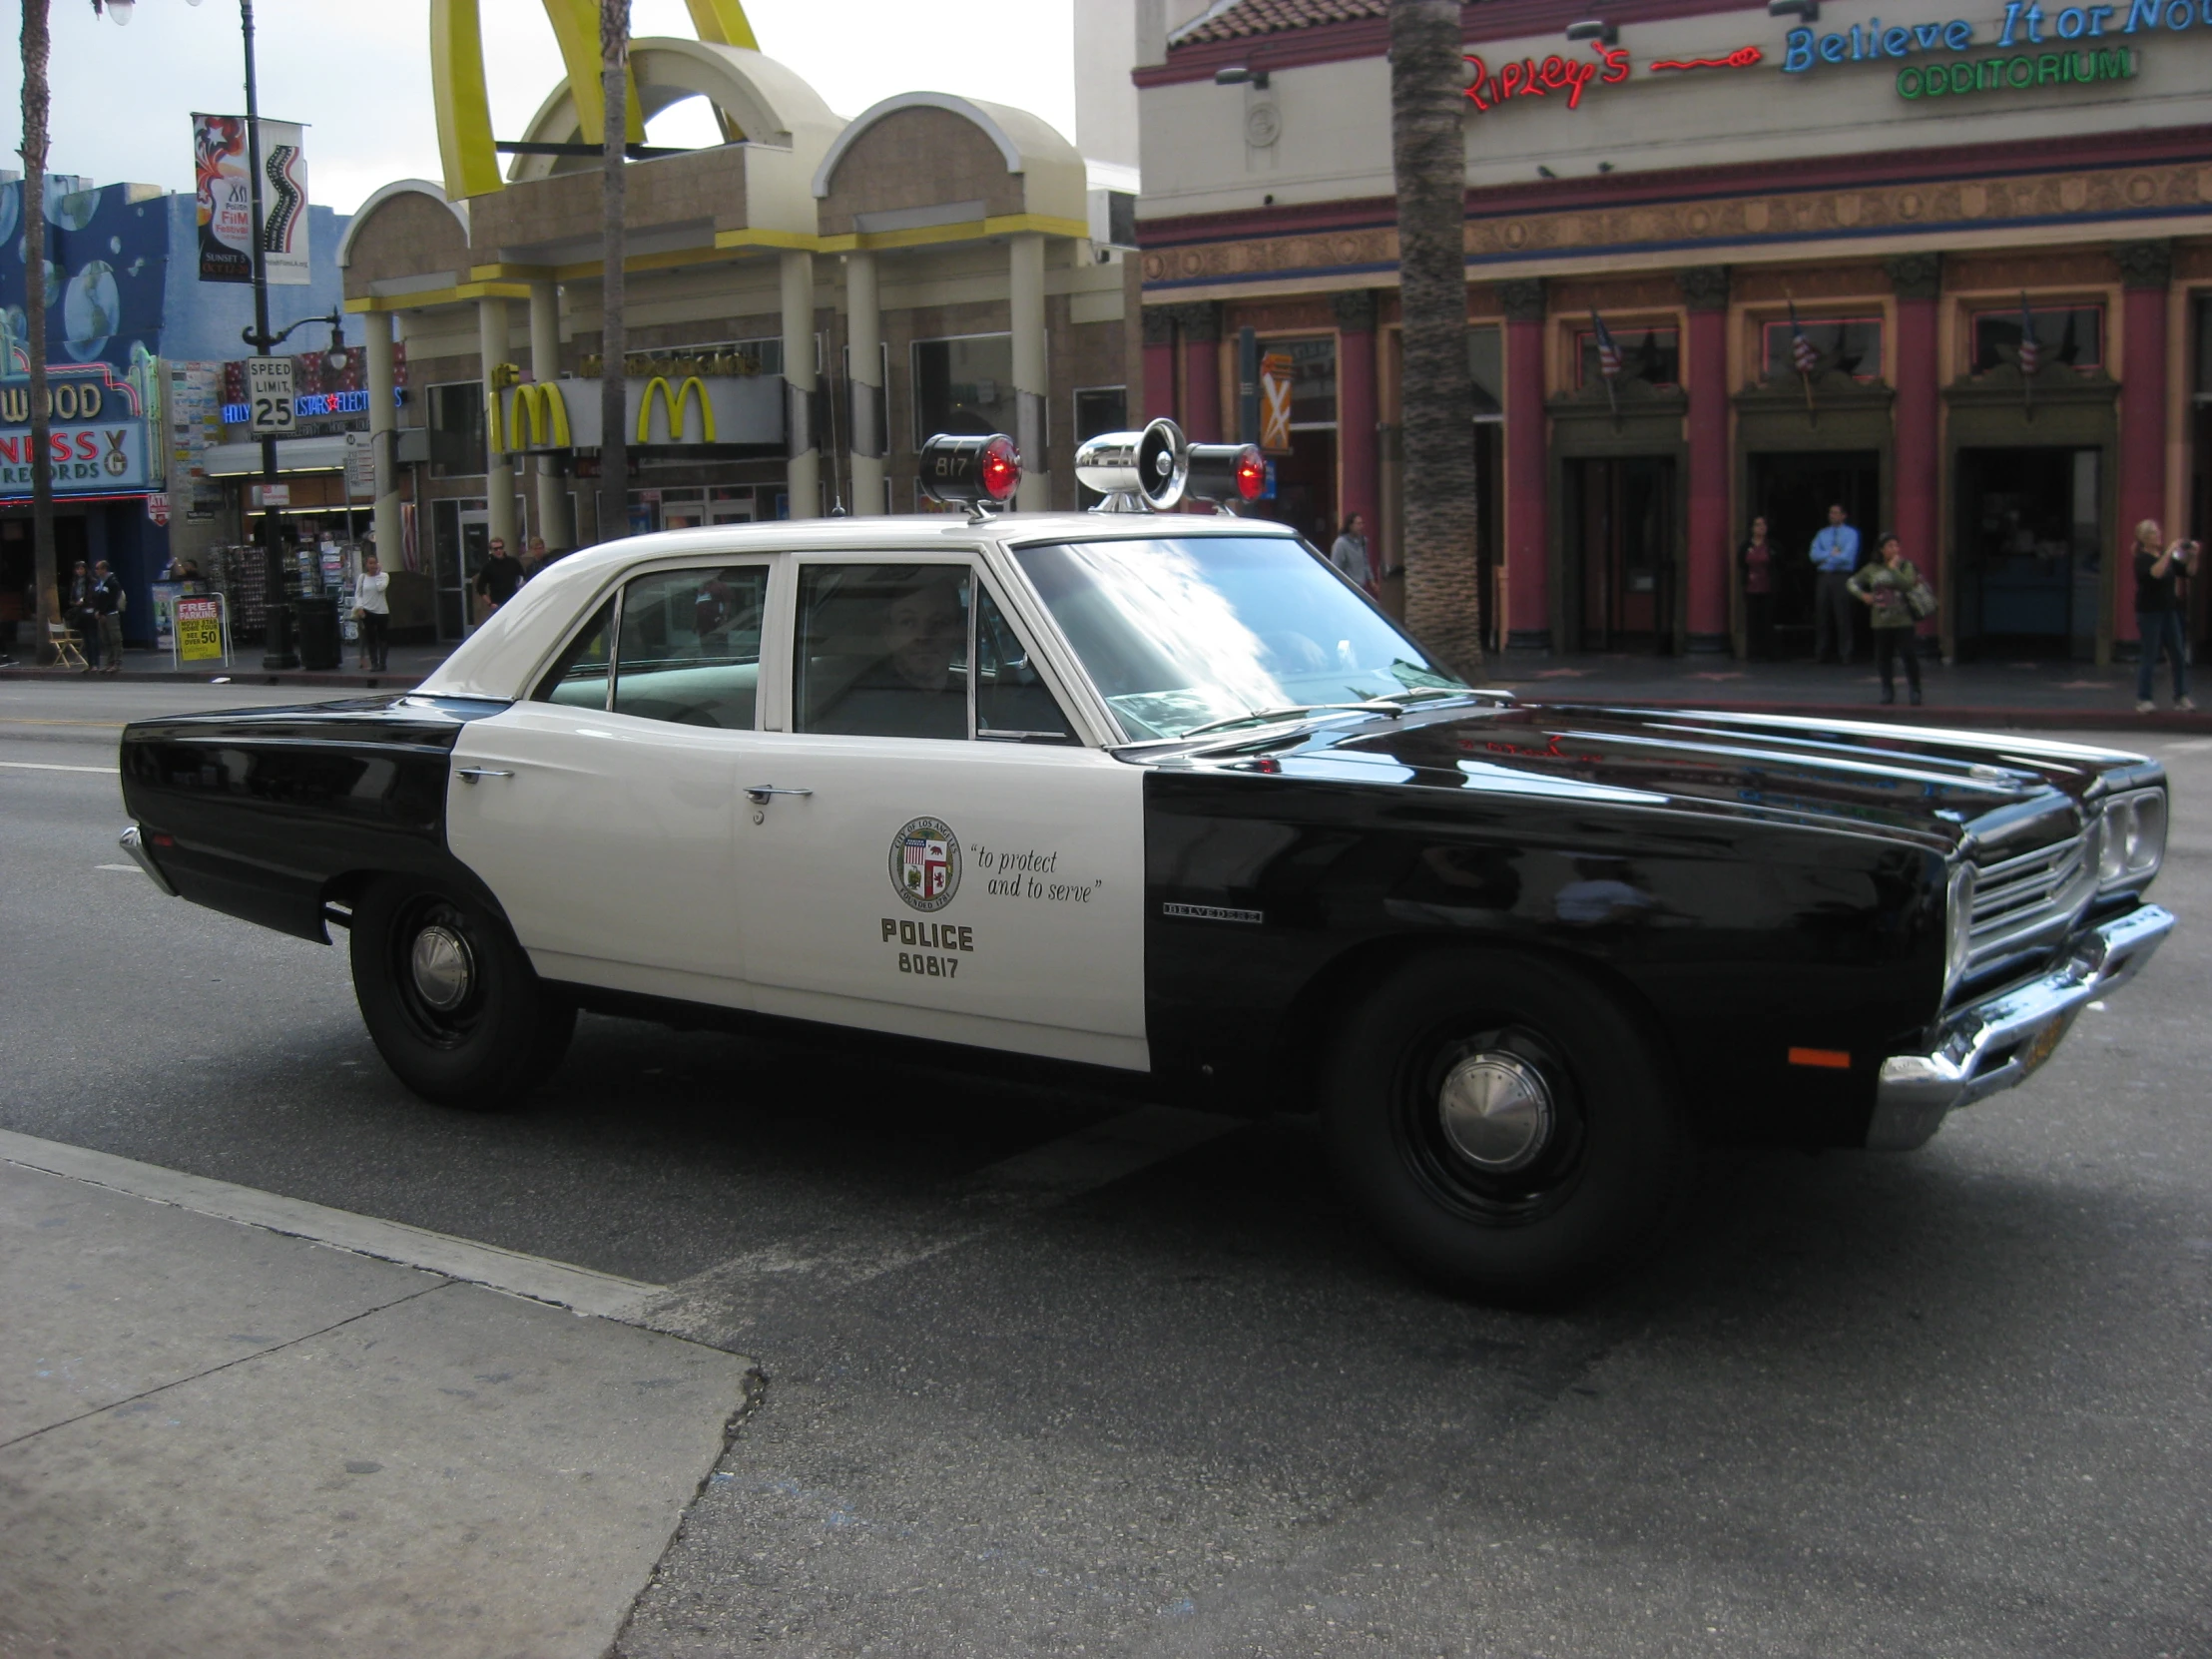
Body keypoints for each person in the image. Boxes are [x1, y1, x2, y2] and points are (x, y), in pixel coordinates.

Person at [815, 575, 967, 739]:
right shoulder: (862, 709)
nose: (923, 636)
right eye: (908, 622)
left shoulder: (968, 698)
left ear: (959, 631)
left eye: (940, 622)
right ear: (888, 633)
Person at [1847, 532, 1925, 706]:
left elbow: (1906, 584)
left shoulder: (1905, 566)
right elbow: (1851, 582)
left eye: (1896, 546)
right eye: (1890, 546)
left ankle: (1915, 689)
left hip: (1902, 618)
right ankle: (1887, 689)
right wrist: (1863, 595)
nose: (1894, 549)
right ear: (1881, 550)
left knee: (1908, 655)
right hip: (1881, 620)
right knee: (1884, 657)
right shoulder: (1872, 569)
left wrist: (1893, 569)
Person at [2132, 519, 2197, 713]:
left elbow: (2188, 572)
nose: (2158, 535)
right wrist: (2169, 551)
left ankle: (2181, 696)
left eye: (2158, 532)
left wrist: (2193, 556)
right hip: (2149, 612)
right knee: (2150, 654)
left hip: (2169, 611)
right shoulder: (2142, 559)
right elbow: (2155, 574)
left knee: (2177, 653)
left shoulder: (2164, 557)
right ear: (2144, 538)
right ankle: (2144, 699)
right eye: (2153, 533)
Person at [1810, 502, 1861, 665]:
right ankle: (1821, 652)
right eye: (1830, 512)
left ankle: (1846, 653)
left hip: (1842, 576)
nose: (1832, 515)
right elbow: (1813, 555)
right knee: (1822, 615)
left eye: (1836, 513)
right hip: (1824, 576)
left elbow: (1847, 557)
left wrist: (1825, 558)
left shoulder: (1851, 534)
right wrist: (1830, 554)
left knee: (1842, 614)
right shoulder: (1822, 533)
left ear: (1844, 515)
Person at [1740, 514, 1776, 661]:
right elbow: (1740, 563)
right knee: (1752, 620)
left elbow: (1778, 563)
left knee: (1766, 619)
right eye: (1757, 525)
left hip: (1768, 586)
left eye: (1763, 525)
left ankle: (1767, 652)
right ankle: (1753, 652)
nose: (1760, 528)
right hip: (1751, 587)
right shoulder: (1746, 546)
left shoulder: (1771, 545)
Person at [354, 552, 391, 672]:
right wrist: (360, 607)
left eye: (375, 563)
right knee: (370, 638)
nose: (373, 565)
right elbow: (358, 594)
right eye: (370, 563)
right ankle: (374, 663)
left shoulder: (384, 576)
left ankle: (382, 663)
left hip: (382, 611)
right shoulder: (362, 577)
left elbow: (381, 587)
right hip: (367, 611)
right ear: (366, 565)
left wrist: (378, 574)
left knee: (383, 638)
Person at [473, 537, 524, 620]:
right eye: (495, 549)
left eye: (500, 548)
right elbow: (480, 588)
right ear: (491, 550)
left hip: (514, 602)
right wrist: (490, 603)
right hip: (498, 604)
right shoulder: (488, 567)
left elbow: (523, 578)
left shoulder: (513, 562)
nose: (498, 551)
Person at [88, 560, 125, 675]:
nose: (96, 571)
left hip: (110, 614)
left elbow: (112, 599)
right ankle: (109, 662)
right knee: (105, 639)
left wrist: (103, 612)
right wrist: (96, 611)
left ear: (104, 569)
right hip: (100, 614)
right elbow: (95, 599)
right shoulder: (98, 583)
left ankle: (117, 662)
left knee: (115, 638)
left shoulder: (112, 583)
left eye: (98, 568)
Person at [65, 560, 97, 671]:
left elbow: (93, 595)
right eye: (77, 569)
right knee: (86, 639)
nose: (79, 571)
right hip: (80, 612)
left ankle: (95, 663)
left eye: (81, 569)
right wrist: (76, 603)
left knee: (92, 637)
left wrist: (86, 601)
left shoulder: (91, 581)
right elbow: (71, 599)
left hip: (90, 611)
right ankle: (89, 663)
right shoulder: (75, 583)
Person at [1329, 513, 1374, 592]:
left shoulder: (1362, 542)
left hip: (1360, 587)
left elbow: (1365, 563)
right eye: (1358, 524)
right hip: (1347, 588)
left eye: (1362, 523)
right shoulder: (1341, 544)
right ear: (1350, 526)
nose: (1361, 527)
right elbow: (1335, 567)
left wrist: (1372, 581)